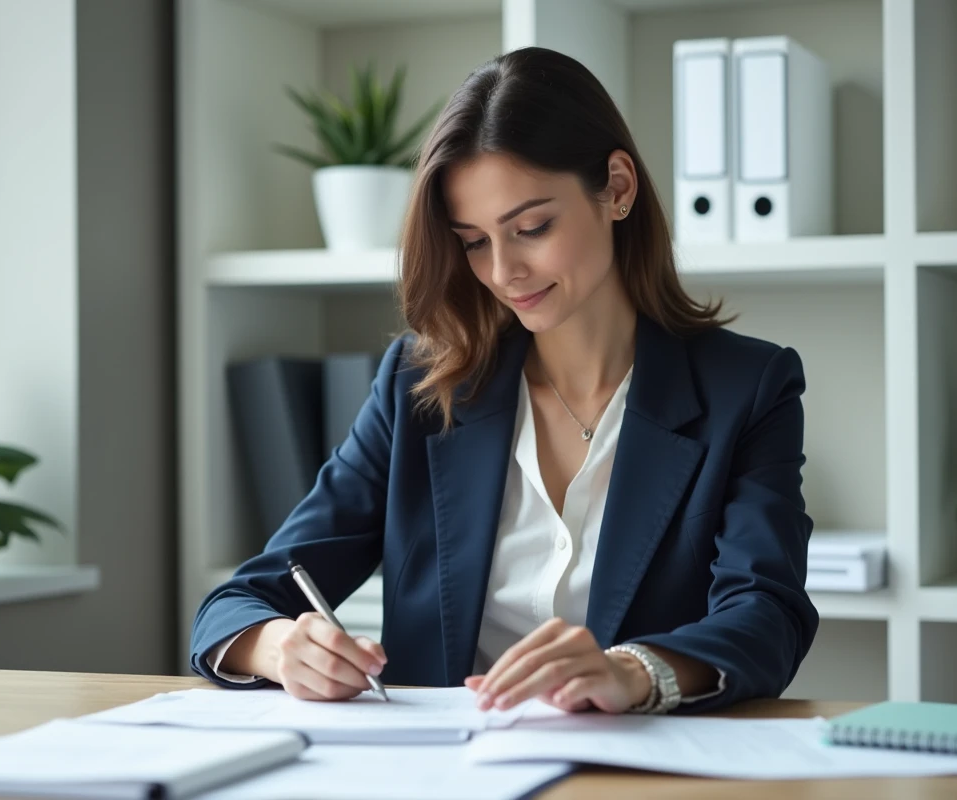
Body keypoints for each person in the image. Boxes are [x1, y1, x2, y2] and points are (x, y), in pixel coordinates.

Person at [190, 46, 818, 715]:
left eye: (532, 227)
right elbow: (236, 604)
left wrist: (634, 670)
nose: (503, 272)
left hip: (632, 772)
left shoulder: (748, 387)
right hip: (445, 774)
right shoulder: (417, 391)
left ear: (618, 188)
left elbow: (768, 613)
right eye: (474, 241)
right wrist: (280, 646)